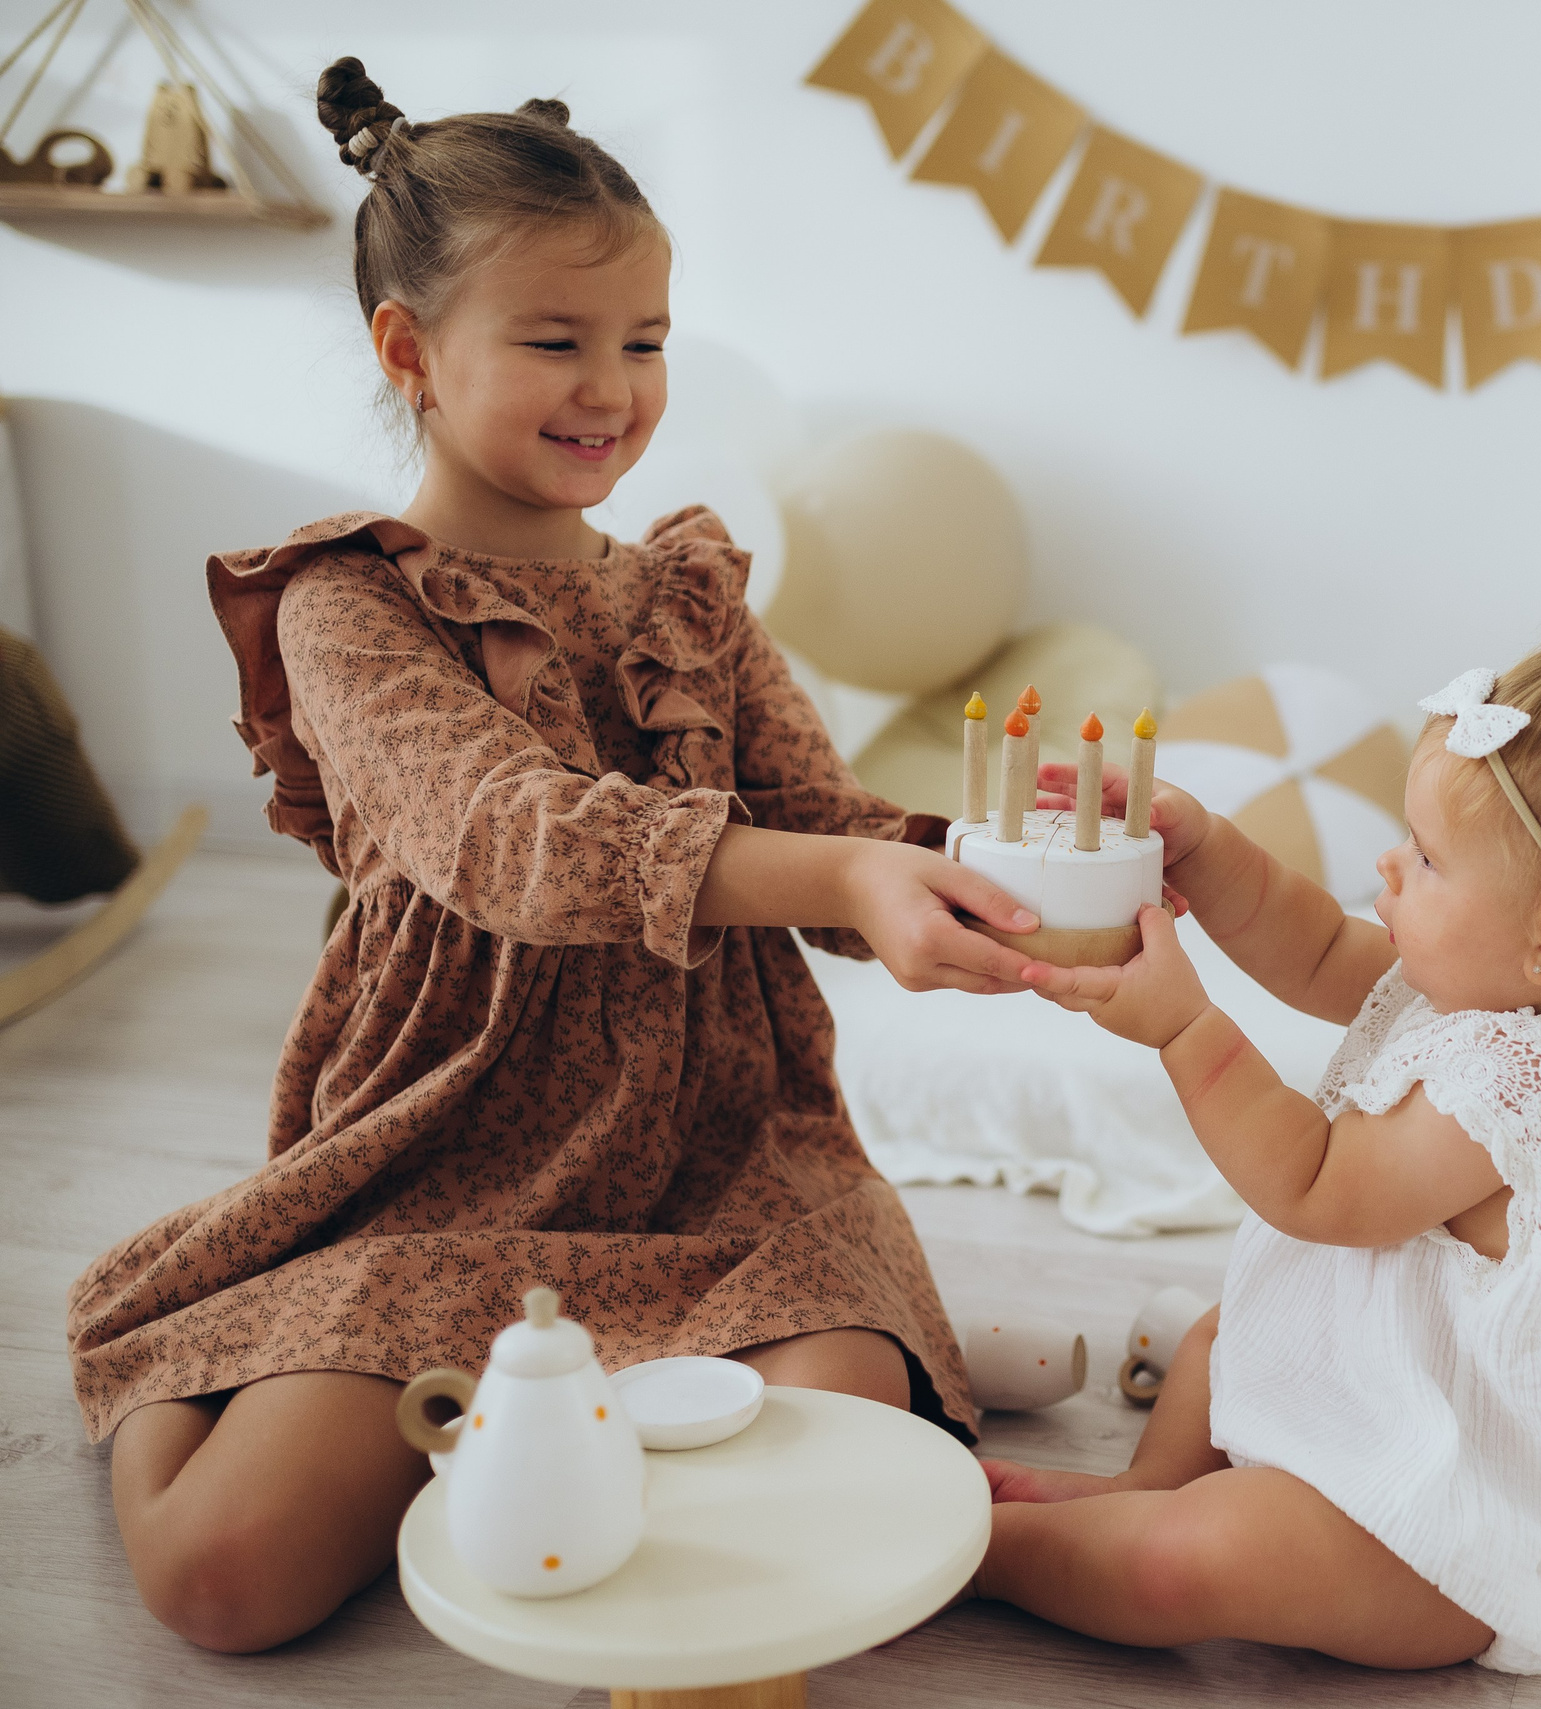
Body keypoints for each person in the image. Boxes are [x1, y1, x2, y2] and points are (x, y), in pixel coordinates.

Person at [64, 59, 1041, 1654]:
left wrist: (1001, 879)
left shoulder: (694, 600)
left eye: (645, 341)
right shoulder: (346, 608)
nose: (616, 388)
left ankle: (623, 1424)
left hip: (727, 1169)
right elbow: (515, 840)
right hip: (447, 1167)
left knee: (838, 1458)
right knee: (222, 1581)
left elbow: (833, 828)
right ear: (412, 354)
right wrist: (834, 881)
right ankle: (189, 1349)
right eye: (556, 341)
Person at [979, 639, 1541, 1673]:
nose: (1386, 866)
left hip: (1450, 1529)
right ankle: (1139, 1492)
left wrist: (1186, 1030)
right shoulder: (1488, 980)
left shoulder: (1527, 1085)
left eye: (1423, 858)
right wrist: (1205, 846)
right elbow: (1316, 942)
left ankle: (987, 1551)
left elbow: (1314, 1185)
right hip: (1387, 1383)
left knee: (1188, 1563)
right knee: (1215, 1338)